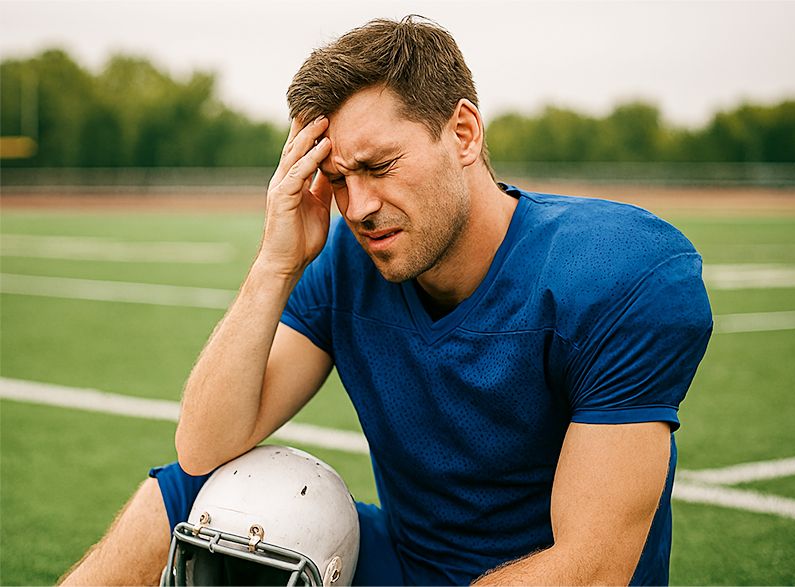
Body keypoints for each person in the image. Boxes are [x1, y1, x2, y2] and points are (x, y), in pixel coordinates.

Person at [59, 15, 712, 587]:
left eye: (379, 166)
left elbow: (590, 569)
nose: (359, 207)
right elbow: (204, 447)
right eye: (337, 178)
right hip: (406, 565)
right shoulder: (348, 260)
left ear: (463, 134)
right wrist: (275, 263)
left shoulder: (618, 271)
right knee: (183, 494)